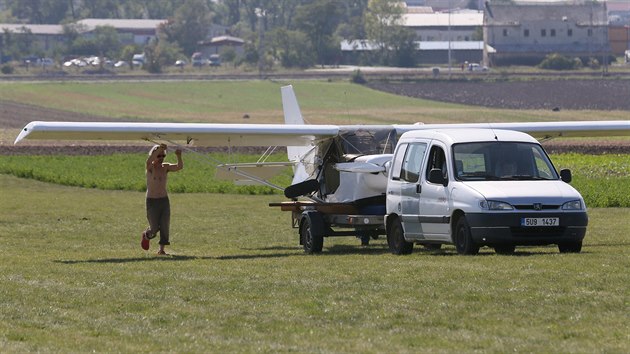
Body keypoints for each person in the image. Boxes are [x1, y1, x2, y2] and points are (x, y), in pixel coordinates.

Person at [141, 144, 183, 255]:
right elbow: (148, 161)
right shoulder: (150, 167)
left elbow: (179, 167)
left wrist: (178, 155)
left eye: (163, 156)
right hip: (152, 201)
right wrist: (159, 149)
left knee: (165, 225)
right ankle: (147, 235)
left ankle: (161, 250)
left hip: (164, 200)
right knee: (154, 229)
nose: (161, 158)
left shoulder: (165, 167)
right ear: (154, 156)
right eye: (158, 156)